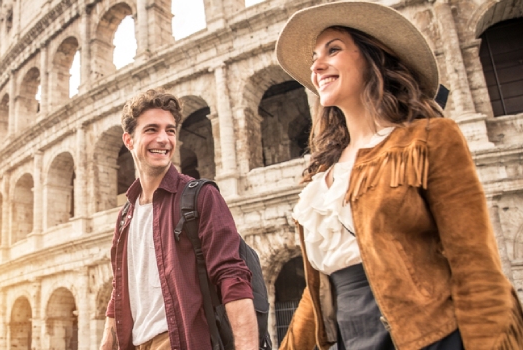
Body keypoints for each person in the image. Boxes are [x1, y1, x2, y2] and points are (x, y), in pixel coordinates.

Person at [274, 2, 523, 350]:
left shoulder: (429, 140)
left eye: (334, 49)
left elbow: (475, 267)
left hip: (433, 338)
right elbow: (317, 293)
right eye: (315, 56)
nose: (316, 65)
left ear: (372, 56)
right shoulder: (321, 178)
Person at [99, 89, 259, 350]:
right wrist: (107, 342)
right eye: (152, 129)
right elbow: (120, 286)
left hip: (178, 340)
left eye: (170, 130)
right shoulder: (125, 215)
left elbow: (232, 276)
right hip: (136, 343)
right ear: (129, 140)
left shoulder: (201, 197)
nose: (163, 139)